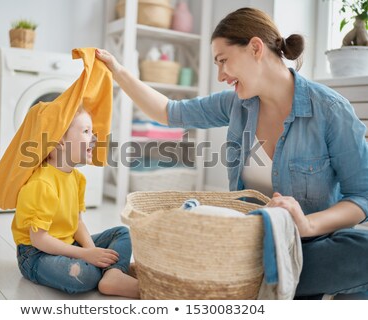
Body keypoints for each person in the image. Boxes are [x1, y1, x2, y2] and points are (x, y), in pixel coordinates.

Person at [96, 7, 368, 298]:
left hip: (307, 247)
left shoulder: (329, 109)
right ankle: (272, 288)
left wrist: (307, 224)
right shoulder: (236, 104)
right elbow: (168, 112)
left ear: (255, 48)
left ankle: (242, 287)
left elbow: (361, 196)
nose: (221, 75)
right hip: (242, 248)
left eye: (223, 61)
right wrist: (118, 70)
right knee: (191, 227)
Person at [12, 107, 139, 298]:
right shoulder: (41, 184)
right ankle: (113, 270)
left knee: (123, 233)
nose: (94, 138)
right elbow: (39, 239)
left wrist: (91, 251)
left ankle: (112, 275)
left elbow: (77, 223)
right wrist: (86, 256)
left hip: (68, 243)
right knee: (82, 276)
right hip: (36, 254)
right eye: (86, 131)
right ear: (61, 140)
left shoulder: (77, 178)